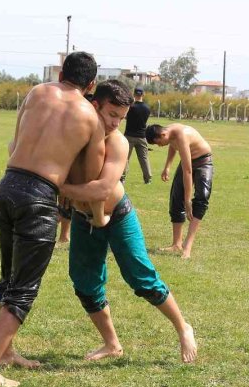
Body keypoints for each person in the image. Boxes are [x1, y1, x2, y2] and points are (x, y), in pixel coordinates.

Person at [0, 51, 105, 387]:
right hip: (39, 197)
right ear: (92, 84)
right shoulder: (91, 118)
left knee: (9, 277)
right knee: (23, 289)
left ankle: (5, 352)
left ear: (61, 73)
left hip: (5, 188)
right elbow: (90, 174)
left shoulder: (37, 92)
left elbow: (15, 142)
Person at [60, 81, 197, 363]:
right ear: (94, 105)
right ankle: (111, 344)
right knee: (85, 283)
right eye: (112, 114)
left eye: (121, 118)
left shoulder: (118, 143)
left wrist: (60, 188)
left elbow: (101, 190)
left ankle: (183, 328)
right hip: (84, 219)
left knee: (141, 277)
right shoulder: (74, 135)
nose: (115, 123)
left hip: (118, 215)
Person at [145, 122, 214, 260]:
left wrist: (188, 200)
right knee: (176, 200)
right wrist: (167, 166)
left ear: (162, 135)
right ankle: (176, 244)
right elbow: (172, 146)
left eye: (158, 143)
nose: (159, 146)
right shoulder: (169, 133)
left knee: (201, 200)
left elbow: (187, 171)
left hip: (203, 162)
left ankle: (187, 246)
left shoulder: (181, 135)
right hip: (187, 162)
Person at [121, 87, 152, 184]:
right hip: (142, 136)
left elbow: (125, 117)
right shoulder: (147, 108)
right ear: (143, 94)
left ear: (134, 94)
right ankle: (148, 179)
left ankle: (122, 178)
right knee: (144, 158)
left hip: (129, 136)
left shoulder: (130, 106)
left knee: (125, 158)